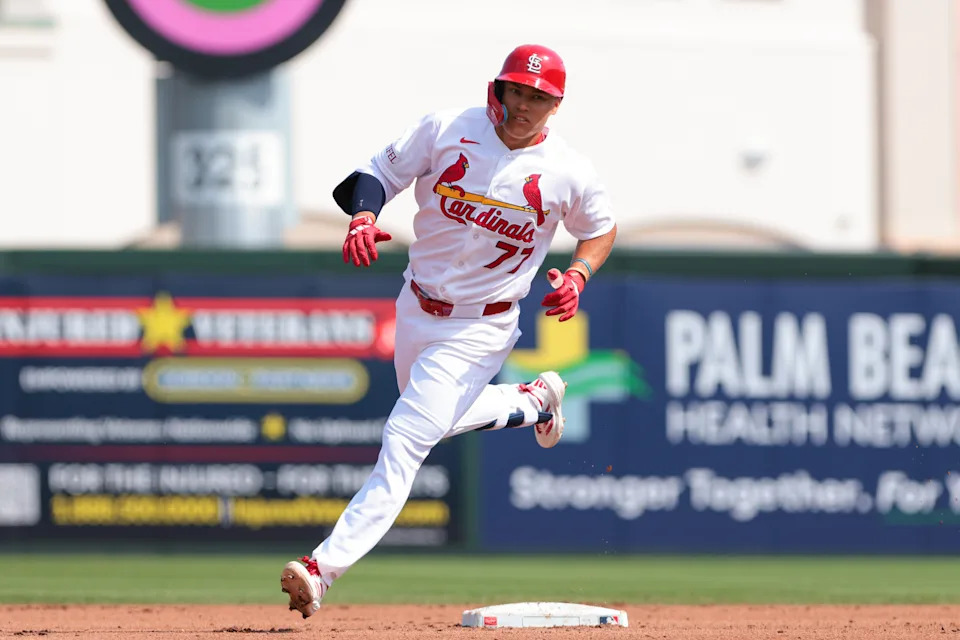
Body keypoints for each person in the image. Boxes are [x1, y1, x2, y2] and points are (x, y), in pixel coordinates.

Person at [280, 44, 617, 618]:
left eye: (538, 96)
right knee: (429, 418)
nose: (524, 105)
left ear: (555, 104)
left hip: (481, 328)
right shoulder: (446, 129)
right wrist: (365, 214)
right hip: (416, 306)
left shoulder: (567, 170)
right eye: (517, 90)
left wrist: (580, 274)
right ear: (500, 89)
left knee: (406, 438)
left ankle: (321, 568)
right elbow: (373, 174)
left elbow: (602, 228)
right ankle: (533, 401)